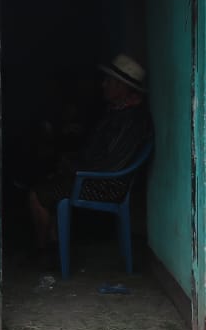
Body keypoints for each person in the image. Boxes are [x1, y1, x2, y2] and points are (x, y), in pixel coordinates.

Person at [27, 53, 153, 255]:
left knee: (38, 195)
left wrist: (75, 169)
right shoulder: (118, 112)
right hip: (95, 178)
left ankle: (41, 252)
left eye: (108, 81)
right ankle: (53, 247)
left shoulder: (132, 120)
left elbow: (111, 164)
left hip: (106, 186)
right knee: (47, 180)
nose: (103, 85)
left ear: (121, 87)